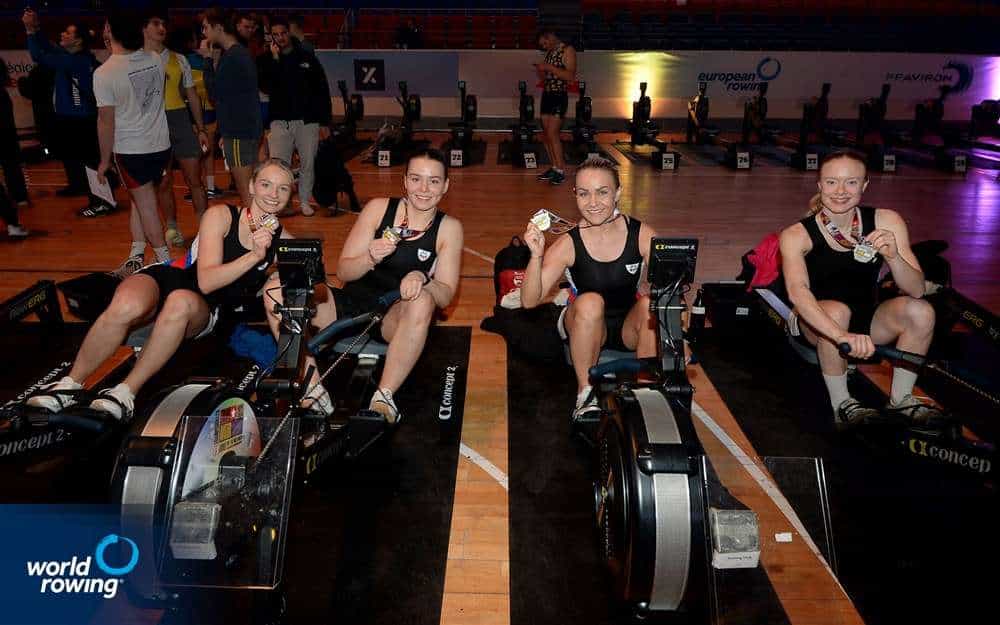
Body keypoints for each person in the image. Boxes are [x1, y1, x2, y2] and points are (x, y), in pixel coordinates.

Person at [27, 159, 293, 421]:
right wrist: (254, 256)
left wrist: (277, 275)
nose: (273, 194)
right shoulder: (222, 215)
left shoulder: (284, 241)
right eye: (266, 184)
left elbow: (306, 275)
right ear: (251, 186)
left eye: (282, 188)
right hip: (174, 277)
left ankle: (124, 392)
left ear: (290, 195)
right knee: (128, 302)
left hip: (205, 306)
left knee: (179, 302)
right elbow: (206, 278)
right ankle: (69, 385)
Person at [263, 149, 463, 423]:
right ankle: (312, 388)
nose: (424, 189)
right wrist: (369, 257)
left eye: (434, 181)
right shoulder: (379, 208)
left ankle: (384, 397)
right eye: (416, 179)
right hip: (349, 304)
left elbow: (446, 293)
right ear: (405, 181)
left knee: (423, 299)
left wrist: (423, 278)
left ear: (446, 186)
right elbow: (344, 271)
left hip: (394, 316)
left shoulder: (449, 228)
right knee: (278, 287)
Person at [779, 150, 942, 429]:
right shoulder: (796, 235)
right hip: (815, 323)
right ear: (820, 185)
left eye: (851, 182)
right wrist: (840, 335)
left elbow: (916, 289)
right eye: (832, 182)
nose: (841, 191)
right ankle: (842, 404)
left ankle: (901, 399)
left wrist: (894, 257)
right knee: (837, 312)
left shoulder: (886, 220)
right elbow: (798, 294)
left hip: (867, 320)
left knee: (921, 311)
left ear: (864, 185)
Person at [520, 156, 657, 420]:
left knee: (651, 304)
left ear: (618, 193)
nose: (593, 202)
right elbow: (529, 301)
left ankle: (648, 392)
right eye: (584, 193)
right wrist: (536, 256)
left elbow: (671, 289)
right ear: (575, 195)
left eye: (602, 192)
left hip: (627, 326)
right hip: (583, 321)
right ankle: (586, 394)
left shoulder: (642, 235)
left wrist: (681, 338)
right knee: (591, 302)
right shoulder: (568, 243)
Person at [93, 12, 173, 276]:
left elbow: (106, 122)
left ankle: (166, 265)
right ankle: (137, 254)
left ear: (110, 31)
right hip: (161, 147)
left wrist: (104, 161)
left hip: (132, 151)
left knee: (147, 206)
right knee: (141, 200)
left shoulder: (104, 73)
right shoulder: (155, 59)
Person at [23, 9, 105, 214]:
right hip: (79, 119)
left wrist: (30, 31)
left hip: (80, 120)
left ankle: (101, 202)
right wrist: (36, 28)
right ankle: (97, 199)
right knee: (86, 161)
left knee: (89, 163)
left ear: (77, 41)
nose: (62, 34)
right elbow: (48, 47)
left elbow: (39, 55)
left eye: (68, 33)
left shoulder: (72, 61)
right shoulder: (77, 57)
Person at [142, 12, 210, 248]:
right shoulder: (135, 60)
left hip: (180, 120)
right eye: (155, 23)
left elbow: (192, 95)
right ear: (144, 28)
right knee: (163, 182)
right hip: (154, 125)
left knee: (195, 179)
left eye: (163, 24)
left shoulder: (179, 59)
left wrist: (201, 128)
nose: (161, 28)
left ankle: (206, 228)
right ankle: (172, 228)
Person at [257, 15, 332, 217]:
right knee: (279, 167)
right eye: (276, 34)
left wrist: (324, 121)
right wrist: (275, 60)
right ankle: (282, 203)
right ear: (271, 37)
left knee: (308, 163)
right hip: (279, 122)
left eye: (283, 33)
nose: (280, 37)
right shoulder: (266, 60)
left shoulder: (307, 57)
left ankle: (305, 201)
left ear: (289, 33)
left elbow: (321, 90)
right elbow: (267, 86)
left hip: (307, 121)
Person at [202, 8, 263, 213]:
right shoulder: (239, 54)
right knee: (251, 191)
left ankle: (259, 232)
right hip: (244, 130)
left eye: (206, 27)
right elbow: (236, 98)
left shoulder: (233, 56)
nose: (204, 32)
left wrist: (207, 60)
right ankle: (263, 230)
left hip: (239, 133)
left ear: (218, 27)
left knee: (247, 194)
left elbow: (214, 93)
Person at [533, 29, 576, 186]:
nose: (544, 47)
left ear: (550, 37)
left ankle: (561, 171)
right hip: (547, 95)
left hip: (559, 96)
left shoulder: (567, 50)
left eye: (544, 43)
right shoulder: (550, 53)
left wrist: (549, 68)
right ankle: (554, 167)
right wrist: (541, 71)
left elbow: (570, 77)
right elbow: (546, 79)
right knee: (546, 134)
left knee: (553, 133)